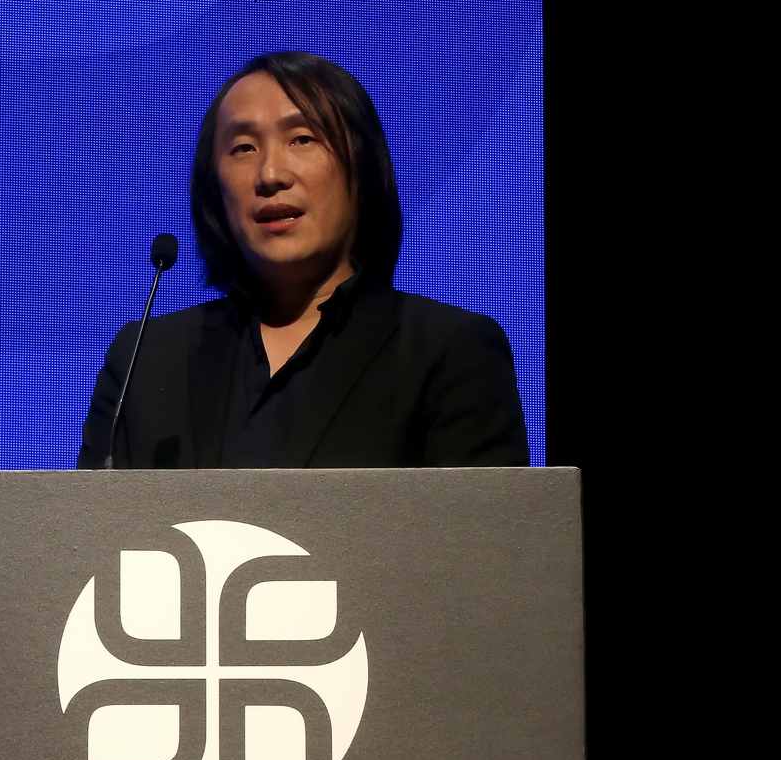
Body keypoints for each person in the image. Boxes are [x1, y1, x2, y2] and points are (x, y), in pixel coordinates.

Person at [77, 51, 529, 470]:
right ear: (214, 188)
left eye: (302, 138)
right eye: (243, 148)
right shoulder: (145, 360)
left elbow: (481, 529)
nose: (271, 174)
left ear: (361, 168)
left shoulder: (449, 352)